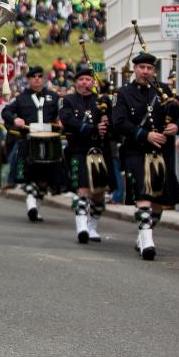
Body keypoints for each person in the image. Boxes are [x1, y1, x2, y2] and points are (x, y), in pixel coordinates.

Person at [112, 52, 179, 261]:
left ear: (154, 70)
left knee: (159, 201)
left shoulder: (164, 90)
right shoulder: (123, 93)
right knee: (143, 195)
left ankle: (144, 234)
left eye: (149, 68)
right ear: (135, 70)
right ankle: (147, 239)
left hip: (162, 152)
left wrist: (176, 125)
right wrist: (145, 135)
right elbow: (119, 122)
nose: (145, 72)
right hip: (136, 150)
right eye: (142, 67)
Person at [59, 64, 115, 243]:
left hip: (100, 151)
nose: (85, 83)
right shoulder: (68, 100)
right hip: (79, 150)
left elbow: (114, 126)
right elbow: (68, 120)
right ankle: (81, 226)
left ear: (93, 82)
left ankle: (92, 225)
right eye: (81, 80)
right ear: (75, 83)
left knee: (99, 194)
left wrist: (108, 122)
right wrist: (92, 128)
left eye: (88, 80)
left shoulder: (102, 101)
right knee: (82, 189)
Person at [2, 66, 63, 222]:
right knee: (29, 175)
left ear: (43, 78)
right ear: (28, 79)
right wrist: (15, 119)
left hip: (49, 142)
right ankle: (31, 205)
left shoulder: (53, 97)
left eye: (40, 76)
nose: (37, 78)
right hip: (28, 140)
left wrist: (62, 120)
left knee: (44, 179)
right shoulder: (21, 98)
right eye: (33, 76)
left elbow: (63, 112)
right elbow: (6, 112)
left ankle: (36, 208)